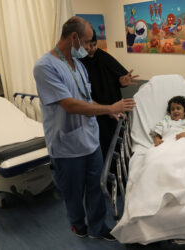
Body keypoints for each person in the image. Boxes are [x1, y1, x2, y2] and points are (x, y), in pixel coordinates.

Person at [33, 16, 135, 241]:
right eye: (88, 42)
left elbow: (87, 100)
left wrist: (107, 110)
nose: (90, 48)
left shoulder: (78, 65)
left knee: (96, 188)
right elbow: (69, 105)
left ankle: (98, 227)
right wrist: (110, 106)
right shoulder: (45, 67)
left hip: (90, 139)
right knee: (73, 193)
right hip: (66, 144)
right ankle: (78, 225)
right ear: (74, 37)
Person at [79, 30, 139, 160]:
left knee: (117, 143)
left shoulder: (103, 56)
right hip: (94, 110)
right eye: (89, 46)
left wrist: (123, 82)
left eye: (95, 45)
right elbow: (81, 94)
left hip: (114, 107)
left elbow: (120, 78)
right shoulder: (78, 62)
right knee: (102, 146)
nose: (92, 49)